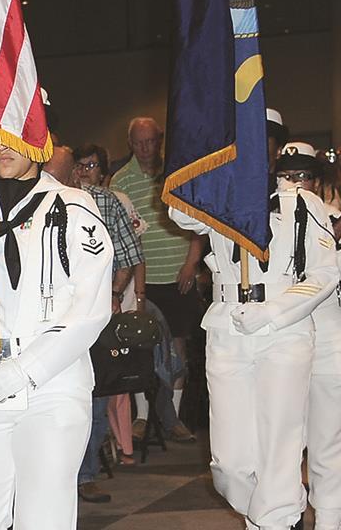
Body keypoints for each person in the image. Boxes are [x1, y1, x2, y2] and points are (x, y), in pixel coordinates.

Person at [0, 132, 112, 530]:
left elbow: (90, 307)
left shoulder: (73, 206)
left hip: (50, 385)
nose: (1, 148)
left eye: (11, 136)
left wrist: (26, 368)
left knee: (44, 518)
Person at [171, 148, 340, 530]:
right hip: (227, 328)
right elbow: (178, 211)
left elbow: (324, 274)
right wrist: (205, 161)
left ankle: (276, 519)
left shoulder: (303, 204)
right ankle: (278, 514)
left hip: (284, 330)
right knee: (229, 463)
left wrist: (274, 312)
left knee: (279, 446)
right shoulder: (218, 195)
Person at [274, 142, 341, 530]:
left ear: (318, 183)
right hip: (279, 338)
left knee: (330, 447)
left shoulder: (339, 220)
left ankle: (329, 525)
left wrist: (334, 254)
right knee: (277, 446)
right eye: (285, 177)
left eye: (302, 177)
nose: (294, 185)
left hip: (332, 336)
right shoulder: (262, 222)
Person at [109, 118, 201, 442]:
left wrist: (191, 264)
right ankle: (143, 417)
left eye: (151, 141)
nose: (147, 149)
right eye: (140, 143)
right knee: (139, 347)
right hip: (140, 279)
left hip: (179, 276)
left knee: (177, 347)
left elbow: (197, 226)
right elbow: (120, 237)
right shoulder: (120, 181)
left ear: (160, 141)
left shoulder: (177, 174)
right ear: (130, 144)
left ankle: (173, 417)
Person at [66, 144, 147, 503]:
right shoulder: (41, 198)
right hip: (52, 314)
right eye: (77, 166)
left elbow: (130, 253)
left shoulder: (105, 201)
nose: (82, 172)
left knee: (97, 396)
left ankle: (85, 476)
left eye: (88, 166)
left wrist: (115, 294)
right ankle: (58, 477)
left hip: (97, 314)